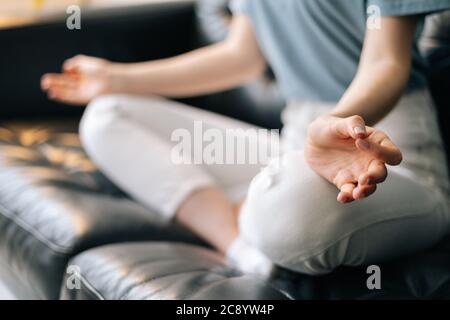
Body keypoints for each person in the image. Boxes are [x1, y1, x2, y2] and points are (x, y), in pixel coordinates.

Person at [41, 0, 450, 276]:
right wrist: (115, 78)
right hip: (298, 144)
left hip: (382, 148)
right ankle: (242, 247)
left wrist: (336, 122)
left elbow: (386, 60)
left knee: (285, 213)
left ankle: (255, 208)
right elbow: (242, 57)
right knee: (109, 114)